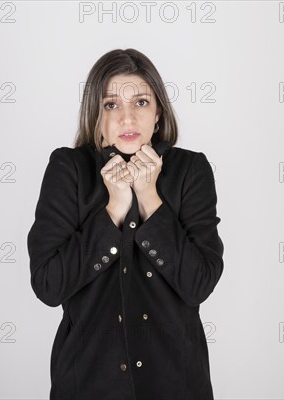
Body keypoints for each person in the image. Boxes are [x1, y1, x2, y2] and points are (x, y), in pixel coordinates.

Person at [27, 48, 224, 400]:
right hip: (88, 383)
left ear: (159, 112)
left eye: (141, 103)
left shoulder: (190, 171)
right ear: (96, 115)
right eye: (111, 105)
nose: (128, 119)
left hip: (176, 384)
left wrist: (150, 198)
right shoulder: (68, 169)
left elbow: (199, 285)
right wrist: (114, 208)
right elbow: (48, 286)